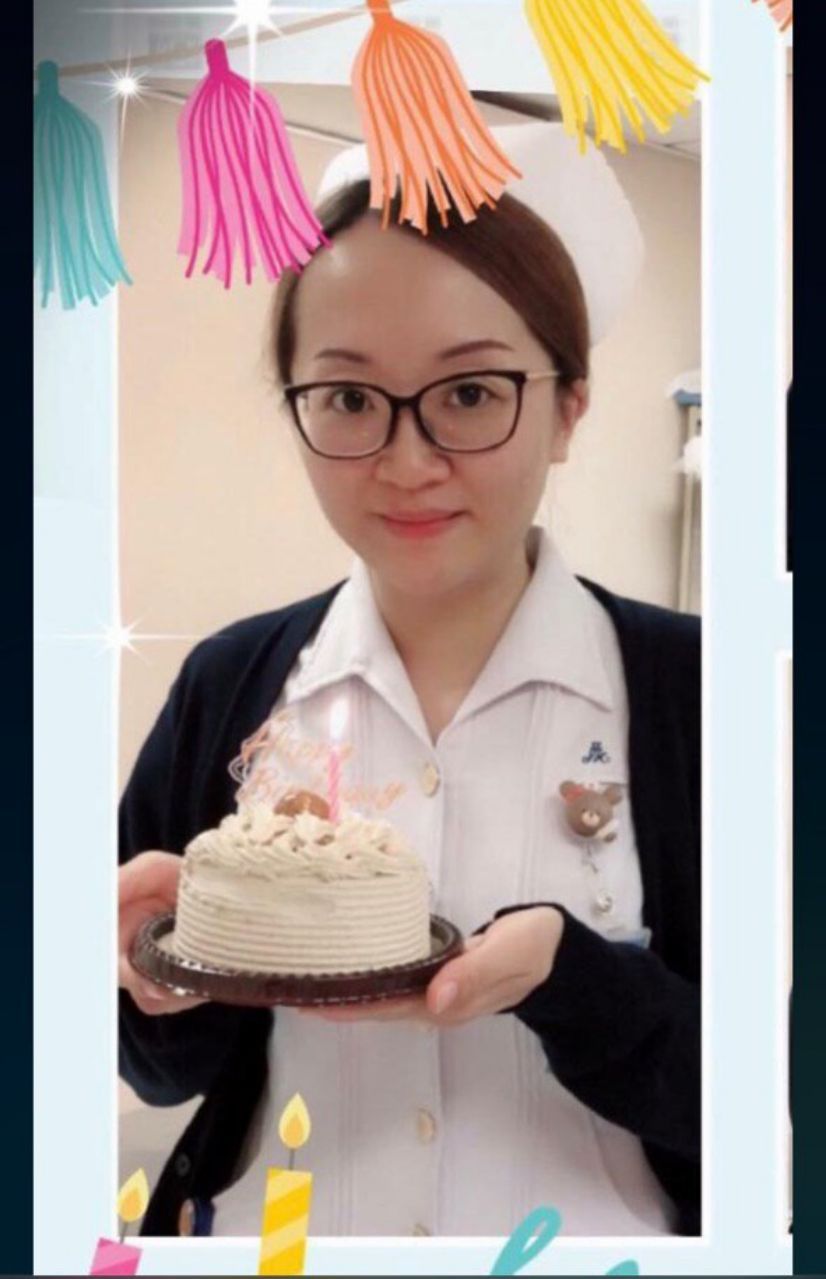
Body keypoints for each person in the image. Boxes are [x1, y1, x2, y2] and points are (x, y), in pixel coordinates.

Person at [118, 123, 700, 1239]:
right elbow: (156, 1068)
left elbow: (768, 1093)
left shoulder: (700, 694)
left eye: (470, 392)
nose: (407, 460)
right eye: (348, 398)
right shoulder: (229, 683)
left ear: (569, 406)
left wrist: (574, 983)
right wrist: (166, 973)